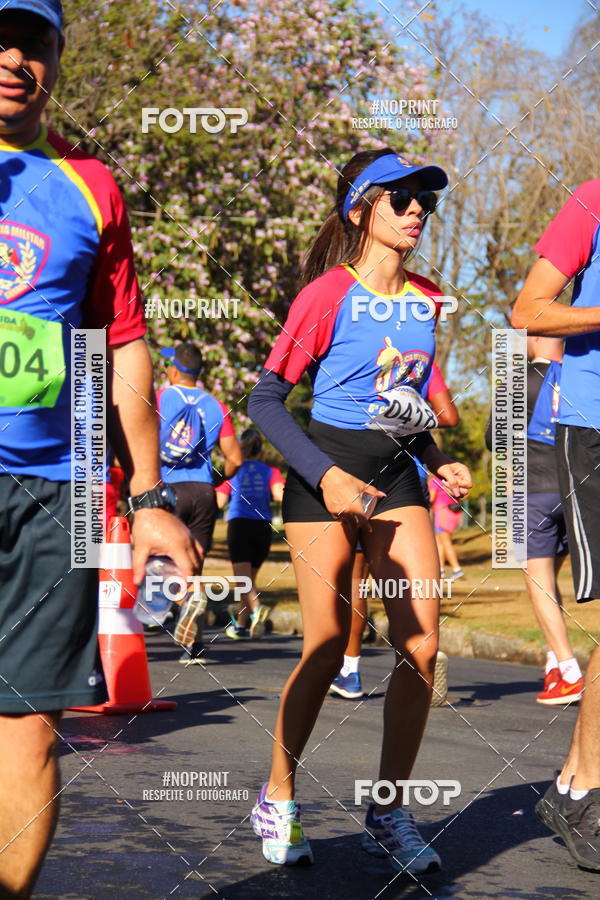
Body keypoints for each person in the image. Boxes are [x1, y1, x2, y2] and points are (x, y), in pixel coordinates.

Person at [0, 4, 201, 896]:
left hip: (63, 491)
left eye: (33, 43)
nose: (13, 59)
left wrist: (147, 497)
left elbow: (117, 344)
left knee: (31, 729)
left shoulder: (90, 187)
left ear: (55, 60)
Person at [248, 148, 471, 872]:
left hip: (397, 479)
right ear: (360, 208)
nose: (416, 212)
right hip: (323, 480)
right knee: (321, 648)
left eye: (424, 202)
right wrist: (328, 477)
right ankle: (278, 795)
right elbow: (265, 403)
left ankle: (388, 810)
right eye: (400, 198)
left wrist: (437, 461)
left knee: (422, 648)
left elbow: (406, 409)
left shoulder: (427, 300)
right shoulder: (325, 296)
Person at [512, 178, 600, 872]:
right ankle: (585, 792)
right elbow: (528, 309)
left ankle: (571, 786)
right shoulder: (591, 199)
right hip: (590, 429)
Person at [331, 362, 460, 700]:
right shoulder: (419, 364)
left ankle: (351, 669)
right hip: (408, 478)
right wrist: (410, 411)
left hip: (365, 472)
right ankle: (420, 659)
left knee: (357, 580)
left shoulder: (381, 358)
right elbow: (447, 415)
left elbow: (447, 417)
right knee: (407, 580)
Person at [485, 335, 583, 705]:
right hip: (575, 491)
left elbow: (496, 439)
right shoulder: (581, 378)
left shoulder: (517, 379)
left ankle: (571, 672)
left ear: (538, 338)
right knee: (553, 584)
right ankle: (554, 664)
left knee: (538, 583)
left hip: (532, 491)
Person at [158, 342, 242, 663]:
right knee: (193, 564)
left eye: (168, 365)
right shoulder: (217, 406)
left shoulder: (159, 399)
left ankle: (168, 607)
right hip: (204, 492)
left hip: (168, 489)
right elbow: (234, 458)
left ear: (175, 370)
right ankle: (193, 647)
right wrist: (215, 479)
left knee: (162, 560)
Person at [216, 427, 284, 639]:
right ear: (260, 450)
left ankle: (257, 610)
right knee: (248, 581)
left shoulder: (233, 469)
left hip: (240, 525)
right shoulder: (271, 472)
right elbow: (280, 496)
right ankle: (240, 626)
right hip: (263, 527)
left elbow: (219, 502)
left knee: (244, 581)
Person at [429, 475, 463, 580]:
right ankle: (441, 570)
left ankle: (457, 569)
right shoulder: (452, 480)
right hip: (454, 513)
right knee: (439, 542)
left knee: (445, 543)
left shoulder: (435, 481)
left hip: (442, 513)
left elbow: (431, 498)